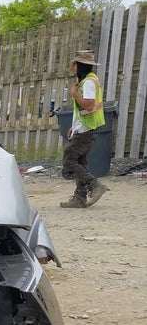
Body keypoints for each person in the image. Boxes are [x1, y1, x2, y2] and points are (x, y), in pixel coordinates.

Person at [60, 50, 109, 208]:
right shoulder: (86, 80)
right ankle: (80, 198)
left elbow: (88, 104)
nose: (72, 66)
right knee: (80, 161)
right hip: (83, 128)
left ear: (78, 65)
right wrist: (73, 128)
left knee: (69, 159)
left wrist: (74, 95)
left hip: (86, 130)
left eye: (74, 64)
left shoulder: (88, 82)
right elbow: (83, 110)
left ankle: (95, 185)